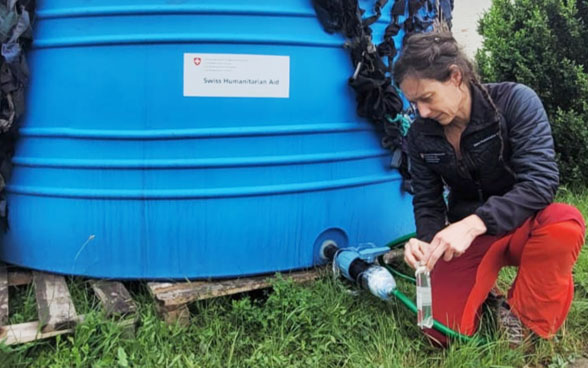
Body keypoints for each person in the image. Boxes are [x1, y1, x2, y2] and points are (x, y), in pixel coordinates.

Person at [392, 31, 586, 347]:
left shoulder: (515, 102)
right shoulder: (419, 135)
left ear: (455, 77)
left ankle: (524, 323)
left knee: (564, 222)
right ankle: (487, 299)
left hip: (524, 226)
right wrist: (427, 245)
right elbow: (427, 200)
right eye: (414, 103)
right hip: (470, 241)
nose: (422, 112)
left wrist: (473, 223)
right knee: (438, 332)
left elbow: (541, 182)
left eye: (427, 98)